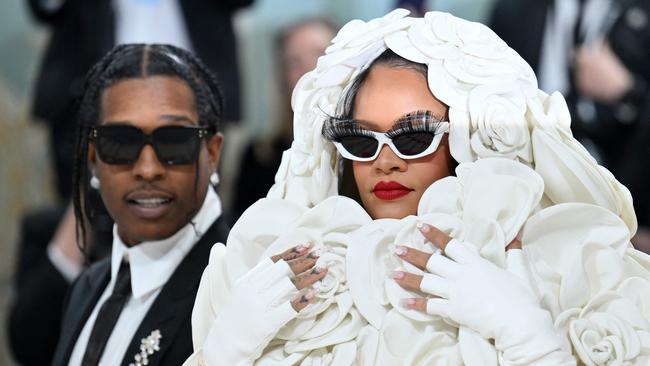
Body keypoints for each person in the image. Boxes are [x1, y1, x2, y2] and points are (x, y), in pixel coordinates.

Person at [186, 9, 650, 365]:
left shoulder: (549, 262)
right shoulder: (303, 267)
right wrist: (226, 349)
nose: (385, 162)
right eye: (360, 140)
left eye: (413, 137)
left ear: (467, 142)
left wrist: (528, 336)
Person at [50, 43, 230, 366]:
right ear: (93, 158)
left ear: (212, 154)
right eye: (120, 142)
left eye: (175, 140)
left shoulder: (237, 292)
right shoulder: (87, 288)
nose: (148, 169)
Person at [25, 0, 252, 200]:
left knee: (195, 212)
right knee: (85, 219)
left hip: (199, 99)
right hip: (83, 98)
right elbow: (46, 9)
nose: (148, 170)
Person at [232, 18, 337, 220]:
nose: (309, 71)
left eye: (320, 55)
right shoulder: (259, 156)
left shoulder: (368, 148)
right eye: (293, 62)